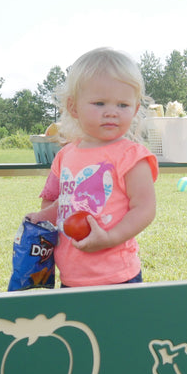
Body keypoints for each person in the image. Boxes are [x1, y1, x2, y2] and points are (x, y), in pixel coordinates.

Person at [26, 47, 158, 286]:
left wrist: (109, 238)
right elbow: (66, 201)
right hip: (71, 275)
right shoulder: (66, 154)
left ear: (135, 109)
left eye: (122, 105)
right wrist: (44, 216)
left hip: (117, 276)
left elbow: (145, 208)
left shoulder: (131, 155)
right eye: (99, 103)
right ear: (73, 107)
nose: (111, 113)